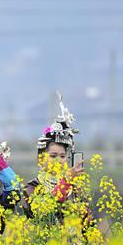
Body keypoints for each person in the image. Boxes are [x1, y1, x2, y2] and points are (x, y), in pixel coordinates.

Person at [21, 93, 88, 224]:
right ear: (40, 159)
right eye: (53, 156)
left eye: (63, 156)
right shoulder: (31, 188)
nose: (59, 160)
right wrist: (65, 182)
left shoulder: (74, 188)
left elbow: (87, 224)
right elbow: (42, 214)